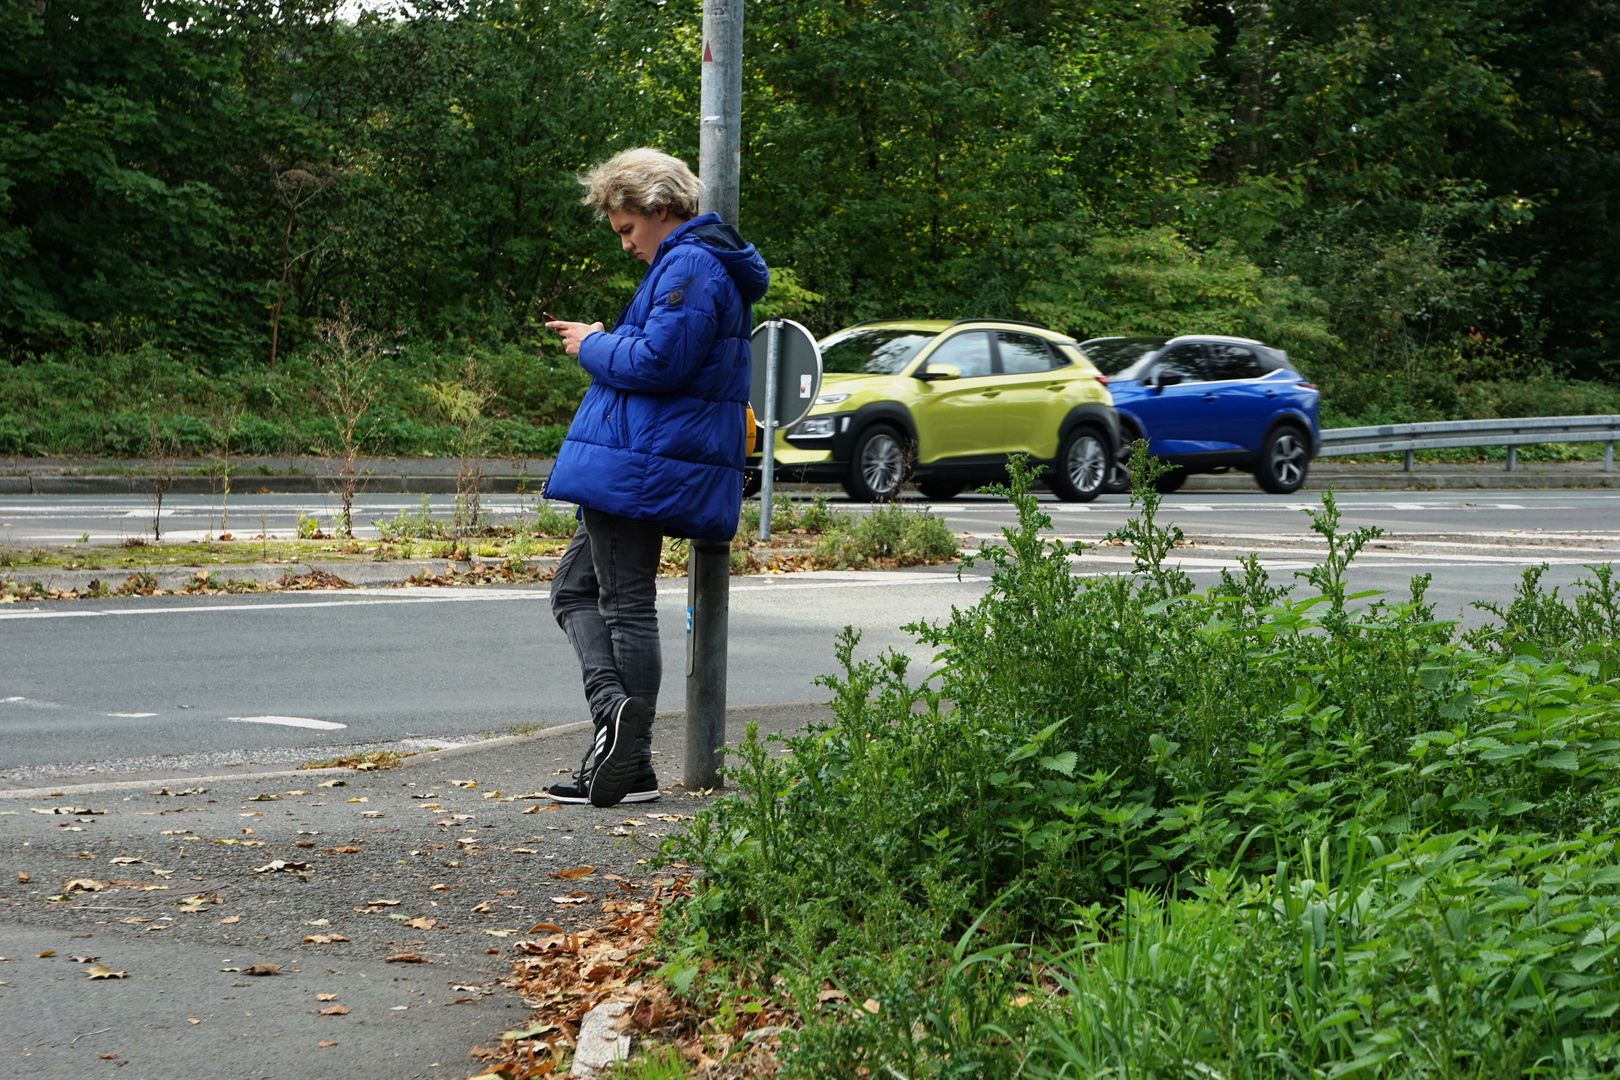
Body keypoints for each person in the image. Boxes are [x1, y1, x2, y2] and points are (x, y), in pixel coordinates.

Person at [540, 148, 769, 808]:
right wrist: (613, 341)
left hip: (640, 461)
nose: (626, 246)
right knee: (576, 589)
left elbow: (661, 363)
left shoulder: (691, 263)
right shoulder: (695, 262)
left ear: (660, 209)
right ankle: (623, 746)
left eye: (627, 230)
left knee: (621, 603)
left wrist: (592, 344)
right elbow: (667, 355)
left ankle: (623, 736)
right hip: (647, 459)